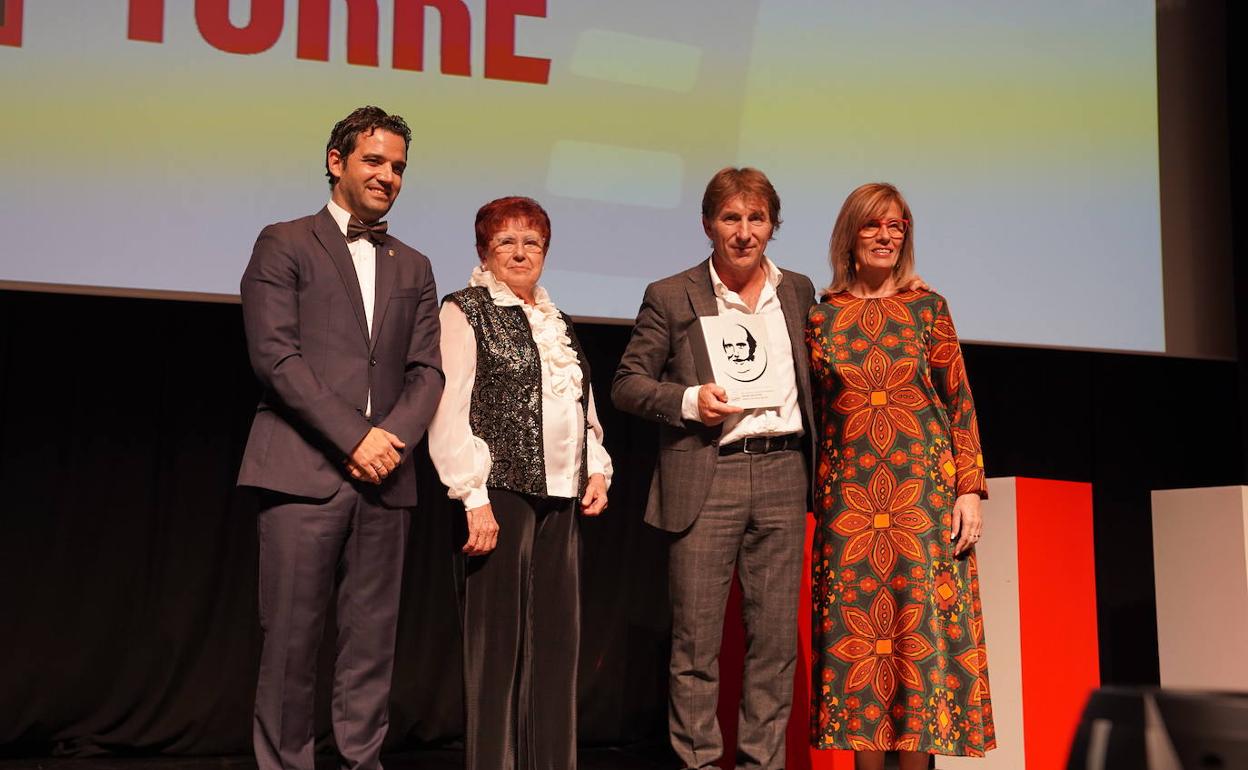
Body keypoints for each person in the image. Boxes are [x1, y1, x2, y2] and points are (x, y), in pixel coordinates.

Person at [237, 106, 443, 770]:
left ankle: (363, 763)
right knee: (291, 644)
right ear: (337, 161)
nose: (389, 176)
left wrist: (392, 442)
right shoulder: (285, 242)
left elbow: (427, 372)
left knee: (371, 645)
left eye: (399, 167)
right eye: (375, 161)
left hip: (387, 481)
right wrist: (356, 438)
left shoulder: (414, 265)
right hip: (302, 471)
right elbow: (276, 357)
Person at [612, 168, 814, 770]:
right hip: (707, 473)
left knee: (775, 644)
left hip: (784, 474)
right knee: (696, 645)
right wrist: (686, 400)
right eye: (731, 218)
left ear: (773, 225)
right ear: (708, 225)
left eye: (756, 219)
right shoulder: (673, 294)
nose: (744, 232)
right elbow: (626, 384)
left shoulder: (800, 292)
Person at [806, 183, 995, 769]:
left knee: (919, 643)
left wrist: (970, 489)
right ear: (850, 236)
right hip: (849, 507)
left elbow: (958, 403)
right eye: (873, 226)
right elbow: (812, 415)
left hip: (922, 501)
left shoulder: (927, 308)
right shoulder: (821, 317)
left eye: (897, 226)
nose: (887, 236)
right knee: (862, 649)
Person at [427, 196, 612, 770]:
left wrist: (597, 465)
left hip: (561, 495)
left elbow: (580, 405)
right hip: (499, 493)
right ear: (484, 249)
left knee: (557, 648)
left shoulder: (556, 319)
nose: (520, 252)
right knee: (496, 652)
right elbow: (448, 408)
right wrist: (472, 496)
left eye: (532, 242)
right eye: (506, 241)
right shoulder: (465, 310)